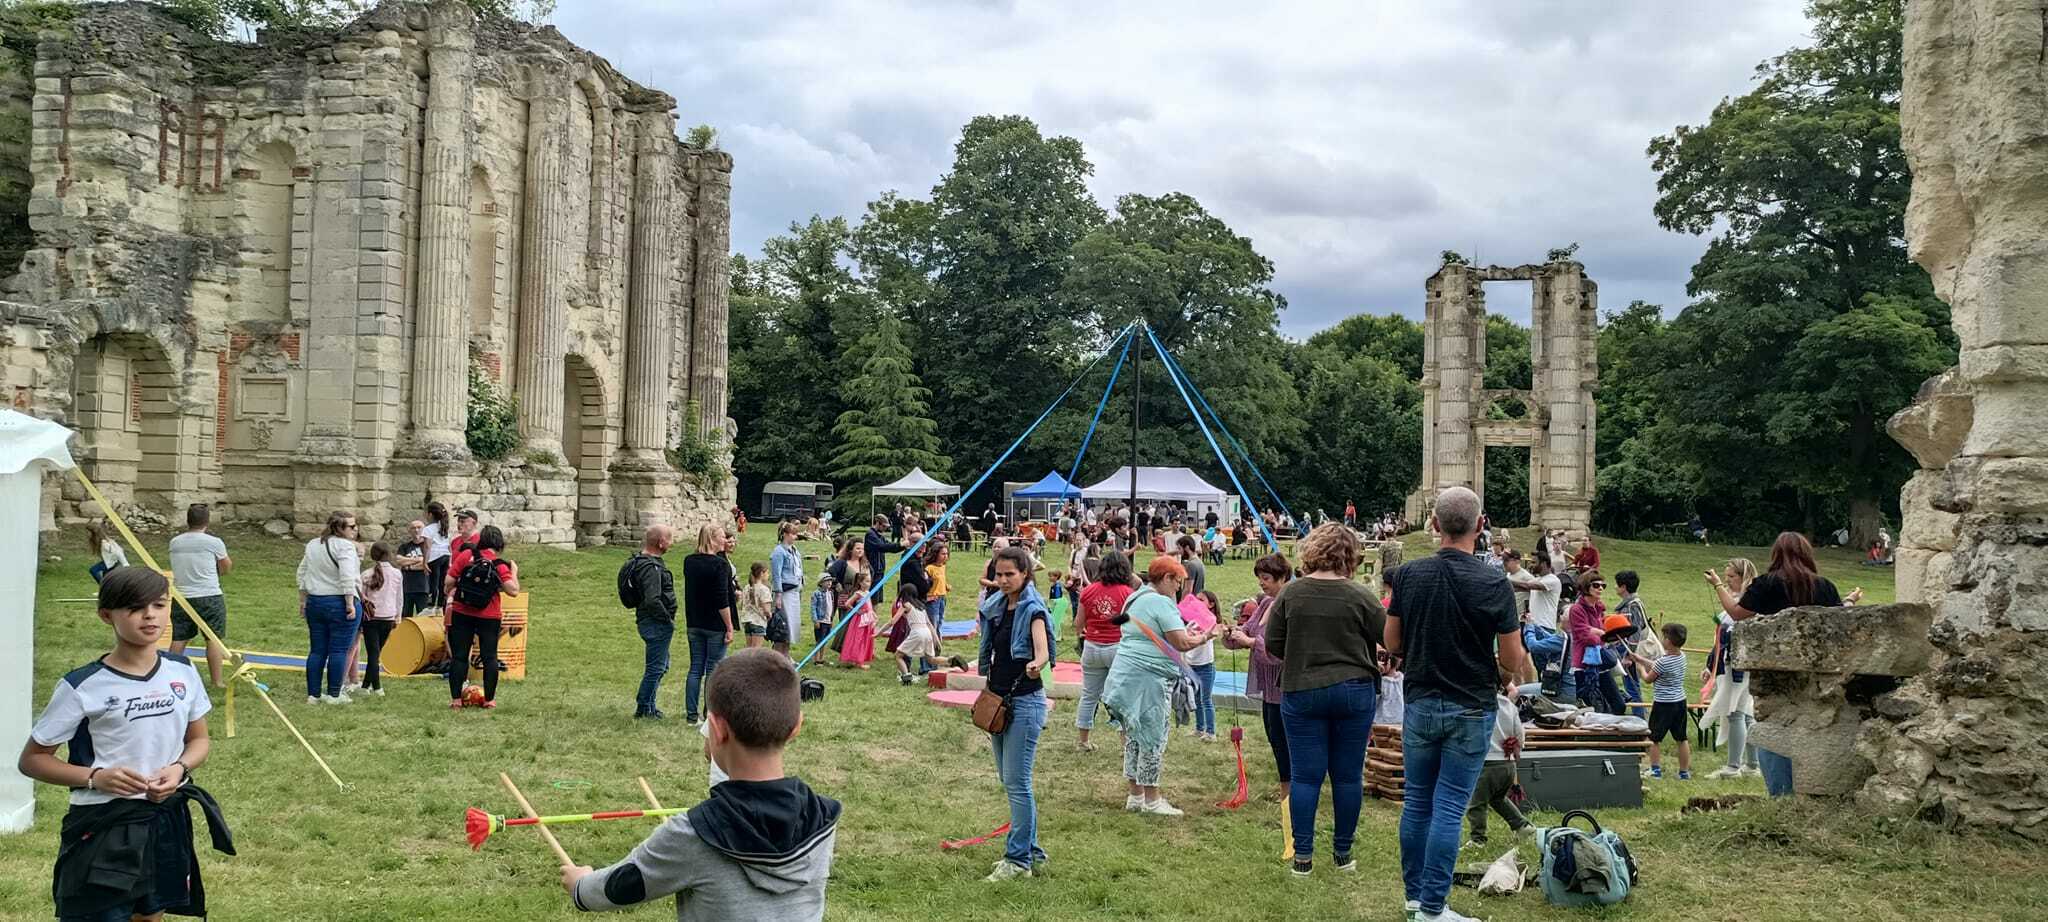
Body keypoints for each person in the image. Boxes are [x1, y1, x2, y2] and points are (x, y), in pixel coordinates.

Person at [562, 649, 840, 920]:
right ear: (797, 726)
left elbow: (622, 885)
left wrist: (581, 885)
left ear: (717, 730)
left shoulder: (692, 834)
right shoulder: (824, 817)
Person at [18, 566, 224, 922]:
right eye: (134, 607)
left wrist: (179, 768)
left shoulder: (183, 672)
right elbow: (33, 760)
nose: (149, 615)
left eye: (159, 605)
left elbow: (199, 739)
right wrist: (95, 777)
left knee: (151, 913)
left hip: (164, 818)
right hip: (103, 824)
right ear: (106, 615)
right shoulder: (82, 686)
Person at [1383, 486, 1526, 922]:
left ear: (1433, 524)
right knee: (1447, 807)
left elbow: (1391, 642)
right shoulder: (1494, 581)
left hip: (1422, 700)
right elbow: (1513, 658)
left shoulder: (1408, 575)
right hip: (1471, 705)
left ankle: (1414, 900)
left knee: (1418, 803)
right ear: (1481, 527)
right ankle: (1432, 909)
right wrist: (1502, 676)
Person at [1266, 523, 1386, 875]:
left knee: (1305, 777)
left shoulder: (1291, 593)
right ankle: (1343, 855)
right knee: (1348, 777)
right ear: (1350, 555)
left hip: (1302, 688)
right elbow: (1391, 639)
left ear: (1312, 550)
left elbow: (1273, 644)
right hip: (1354, 689)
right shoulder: (1361, 595)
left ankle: (1302, 857)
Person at [1708, 531, 1852, 796]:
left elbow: (1737, 614)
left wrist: (1718, 586)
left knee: (1773, 730)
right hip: (1815, 672)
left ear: (1776, 554)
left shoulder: (1767, 584)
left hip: (1775, 672)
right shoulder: (1824, 586)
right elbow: (1839, 619)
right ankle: (1817, 789)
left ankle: (1781, 794)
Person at [1101, 556, 1209, 818]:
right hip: (1148, 679)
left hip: (1125, 676)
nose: (1179, 588)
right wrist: (1205, 636)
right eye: (1177, 582)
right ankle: (1152, 799)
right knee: (1152, 737)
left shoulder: (1135, 598)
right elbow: (1181, 643)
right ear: (1167, 578)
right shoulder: (1161, 602)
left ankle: (1135, 795)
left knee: (1133, 737)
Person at [978, 545, 1053, 880]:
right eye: (999, 574)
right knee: (1009, 781)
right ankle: (1031, 850)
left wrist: (1037, 664)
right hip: (998, 701)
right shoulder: (996, 606)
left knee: (1018, 783)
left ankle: (1018, 859)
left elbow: (1042, 649)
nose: (1004, 580)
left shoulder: (1033, 608)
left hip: (1025, 702)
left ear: (1025, 574)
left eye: (1011, 574)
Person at [1224, 553, 1294, 800]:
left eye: (1266, 578)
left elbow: (1283, 648)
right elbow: (1249, 629)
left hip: (1285, 684)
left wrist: (1252, 642)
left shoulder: (1290, 604)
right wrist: (1232, 632)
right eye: (1260, 578)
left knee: (1285, 741)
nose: (1261, 583)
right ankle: (1286, 788)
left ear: (1282, 577)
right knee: (1274, 738)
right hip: (1268, 686)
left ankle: (1290, 793)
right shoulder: (1265, 603)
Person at [444, 524, 519, 710]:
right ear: (500, 543)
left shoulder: (466, 556)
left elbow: (448, 582)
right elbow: (513, 591)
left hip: (462, 611)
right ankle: (489, 700)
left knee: (459, 657)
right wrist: (514, 572)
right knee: (489, 657)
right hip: (489, 615)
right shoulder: (498, 563)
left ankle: (456, 700)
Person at [1700, 558, 1761, 779]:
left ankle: (1733, 766)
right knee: (1744, 714)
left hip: (1740, 667)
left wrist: (1717, 584)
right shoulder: (1735, 602)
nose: (1727, 582)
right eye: (1726, 578)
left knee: (1736, 712)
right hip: (1730, 664)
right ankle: (1752, 764)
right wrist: (1711, 666)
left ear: (1744, 577)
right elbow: (1719, 638)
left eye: (1732, 578)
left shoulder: (1746, 603)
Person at [296, 510, 362, 706]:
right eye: (351, 526)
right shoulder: (345, 547)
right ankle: (334, 693)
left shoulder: (313, 544)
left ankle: (313, 694)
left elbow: (302, 572)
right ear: (340, 528)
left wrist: (303, 600)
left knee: (317, 650)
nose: (355, 529)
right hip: (339, 600)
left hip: (315, 601)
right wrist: (350, 604)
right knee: (339, 649)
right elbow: (347, 576)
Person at [1073, 551, 1135, 752]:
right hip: (1118, 648)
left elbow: (1077, 624)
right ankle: (1125, 744)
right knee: (1123, 697)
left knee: (1089, 695)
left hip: (1091, 647)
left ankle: (1083, 741)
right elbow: (1132, 624)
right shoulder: (1127, 593)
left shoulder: (1089, 590)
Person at [1462, 666, 1530, 848]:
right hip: (1507, 765)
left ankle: (1478, 839)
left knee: (1477, 803)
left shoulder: (1476, 703)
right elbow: (1519, 735)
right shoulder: (1509, 705)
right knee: (1498, 798)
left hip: (1486, 763)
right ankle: (1522, 825)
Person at [167, 503, 231, 688]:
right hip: (209, 595)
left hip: (182, 596)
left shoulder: (175, 542)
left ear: (188, 520)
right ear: (207, 521)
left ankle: (169, 677)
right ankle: (217, 681)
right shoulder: (214, 542)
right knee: (213, 639)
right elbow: (226, 566)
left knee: (179, 638)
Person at [682, 525, 738, 725]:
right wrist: (729, 626)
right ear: (713, 539)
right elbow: (721, 600)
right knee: (713, 670)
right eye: (723, 537)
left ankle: (691, 715)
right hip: (715, 624)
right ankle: (709, 715)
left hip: (695, 621)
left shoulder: (689, 561)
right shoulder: (719, 565)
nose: (726, 540)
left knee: (695, 668)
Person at [621, 525, 678, 719]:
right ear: (661, 542)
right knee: (656, 668)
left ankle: (650, 706)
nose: (671, 543)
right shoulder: (651, 567)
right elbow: (652, 599)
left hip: (650, 620)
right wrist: (667, 619)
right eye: (669, 540)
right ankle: (644, 707)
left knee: (662, 665)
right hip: (655, 622)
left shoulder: (642, 562)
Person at [1634, 622, 1692, 780]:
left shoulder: (1662, 662)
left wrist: (1639, 667)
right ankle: (1684, 772)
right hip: (1680, 702)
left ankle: (1655, 771)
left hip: (1663, 704)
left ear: (1668, 640)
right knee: (1681, 738)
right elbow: (1658, 666)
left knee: (1653, 738)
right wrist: (1641, 659)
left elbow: (1648, 679)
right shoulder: (1681, 656)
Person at [1565, 572, 1624, 715]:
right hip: (1584, 665)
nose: (1600, 589)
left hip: (1600, 664)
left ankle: (1610, 735)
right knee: (1591, 709)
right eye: (1596, 585)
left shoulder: (1599, 609)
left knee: (1618, 704)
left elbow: (1601, 633)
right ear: (1586, 587)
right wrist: (1600, 635)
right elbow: (1585, 637)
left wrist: (1597, 632)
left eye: (1603, 586)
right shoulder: (1576, 609)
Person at [1182, 590, 1222, 742]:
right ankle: (1199, 729)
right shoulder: (1191, 621)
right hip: (1191, 666)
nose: (1196, 602)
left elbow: (1215, 632)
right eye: (1196, 599)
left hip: (1206, 667)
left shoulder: (1210, 622)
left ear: (1210, 604)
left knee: (1206, 699)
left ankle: (1211, 732)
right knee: (1196, 699)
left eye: (1201, 600)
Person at [1614, 570, 1650, 718]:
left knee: (1632, 686)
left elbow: (1634, 631)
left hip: (1630, 651)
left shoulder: (1632, 605)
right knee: (1631, 684)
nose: (1615, 588)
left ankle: (1639, 718)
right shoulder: (1631, 603)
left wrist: (1630, 656)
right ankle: (1639, 715)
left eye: (1617, 585)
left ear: (1623, 587)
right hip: (1629, 650)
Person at [770, 522, 804, 656]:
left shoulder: (794, 551)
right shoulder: (779, 551)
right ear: (785, 534)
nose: (795, 537)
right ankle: (777, 656)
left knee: (791, 627)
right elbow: (776, 574)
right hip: (784, 592)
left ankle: (786, 655)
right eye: (792, 534)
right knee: (782, 627)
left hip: (795, 591)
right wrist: (778, 594)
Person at [835, 573, 877, 669]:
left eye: (869, 581)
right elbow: (847, 603)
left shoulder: (868, 593)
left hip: (868, 620)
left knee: (866, 639)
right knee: (859, 639)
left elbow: (869, 606)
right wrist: (857, 611)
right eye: (866, 581)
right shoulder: (858, 593)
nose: (868, 583)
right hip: (860, 620)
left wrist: (873, 615)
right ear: (860, 583)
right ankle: (858, 661)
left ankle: (861, 658)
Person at [395, 520, 434, 617]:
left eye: (419, 527)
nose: (416, 530)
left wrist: (408, 565)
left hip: (423, 588)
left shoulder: (428, 546)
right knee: (405, 617)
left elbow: (428, 563)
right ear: (409, 531)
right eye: (413, 528)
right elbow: (399, 560)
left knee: (423, 617)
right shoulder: (404, 547)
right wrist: (419, 560)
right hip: (407, 588)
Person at [422, 500, 455, 608]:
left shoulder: (428, 529)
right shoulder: (444, 527)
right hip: (445, 555)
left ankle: (432, 604)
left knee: (433, 582)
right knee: (442, 582)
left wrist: (425, 562)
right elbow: (449, 545)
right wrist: (450, 560)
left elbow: (427, 546)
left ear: (430, 514)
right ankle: (441, 604)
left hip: (435, 556)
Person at [864, 515, 905, 590]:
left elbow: (890, 547)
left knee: (878, 596)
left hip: (880, 570)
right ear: (877, 523)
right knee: (873, 596)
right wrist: (900, 544)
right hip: (873, 569)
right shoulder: (870, 535)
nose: (885, 529)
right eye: (884, 526)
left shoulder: (880, 536)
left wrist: (903, 546)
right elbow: (882, 547)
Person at [740, 562, 773, 649]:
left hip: (747, 620)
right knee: (756, 650)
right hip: (758, 622)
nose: (768, 575)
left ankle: (745, 663)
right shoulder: (764, 589)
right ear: (761, 573)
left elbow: (742, 604)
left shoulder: (747, 587)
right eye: (767, 573)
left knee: (749, 648)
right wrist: (769, 615)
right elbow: (766, 609)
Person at [924, 544, 952, 632]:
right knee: (933, 621)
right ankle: (933, 642)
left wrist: (946, 585)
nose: (945, 556)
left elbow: (941, 580)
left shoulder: (943, 567)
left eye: (946, 554)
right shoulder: (929, 568)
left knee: (940, 620)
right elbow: (925, 584)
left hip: (942, 597)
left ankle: (938, 643)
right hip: (933, 599)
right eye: (943, 554)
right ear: (936, 554)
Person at [809, 575, 836, 646]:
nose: (829, 582)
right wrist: (816, 620)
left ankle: (821, 657)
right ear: (820, 583)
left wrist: (831, 620)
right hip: (821, 621)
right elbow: (813, 607)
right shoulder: (816, 593)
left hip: (828, 621)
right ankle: (816, 657)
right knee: (819, 641)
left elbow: (831, 607)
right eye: (827, 581)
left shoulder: (831, 593)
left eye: (830, 581)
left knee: (825, 641)